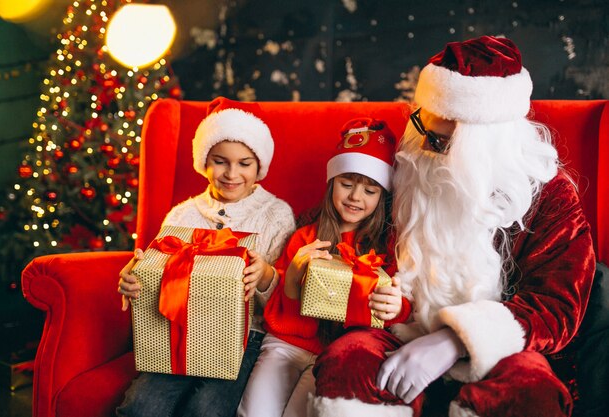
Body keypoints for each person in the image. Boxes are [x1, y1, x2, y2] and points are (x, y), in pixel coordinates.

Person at [310, 36, 596, 417]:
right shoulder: (411, 162)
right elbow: (349, 235)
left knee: (530, 390)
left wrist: (454, 340)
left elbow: (556, 307)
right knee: (348, 362)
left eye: (442, 142)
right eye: (422, 127)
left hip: (499, 350)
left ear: (486, 143)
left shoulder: (547, 194)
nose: (425, 148)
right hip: (398, 329)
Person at [116, 96, 296, 417]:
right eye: (220, 161)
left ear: (259, 167)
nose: (231, 173)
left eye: (244, 163)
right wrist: (136, 279)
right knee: (141, 406)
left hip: (245, 338)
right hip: (178, 333)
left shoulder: (276, 215)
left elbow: (287, 302)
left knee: (207, 409)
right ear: (204, 161)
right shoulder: (183, 215)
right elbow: (156, 274)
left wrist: (266, 275)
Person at [237, 118, 411, 417]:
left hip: (333, 354)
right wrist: (292, 275)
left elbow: (397, 311)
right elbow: (287, 321)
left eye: (370, 191)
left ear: (383, 196)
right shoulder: (307, 236)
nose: (356, 197)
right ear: (332, 183)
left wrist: (397, 307)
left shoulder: (387, 247)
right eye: (346, 184)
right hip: (287, 344)